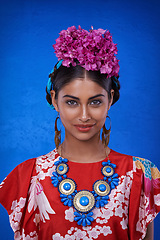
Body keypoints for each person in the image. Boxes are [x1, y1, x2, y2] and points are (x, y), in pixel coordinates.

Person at [0, 26, 160, 240]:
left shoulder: (140, 174)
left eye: (95, 102)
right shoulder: (26, 177)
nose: (84, 115)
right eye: (72, 102)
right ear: (55, 100)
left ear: (110, 99)